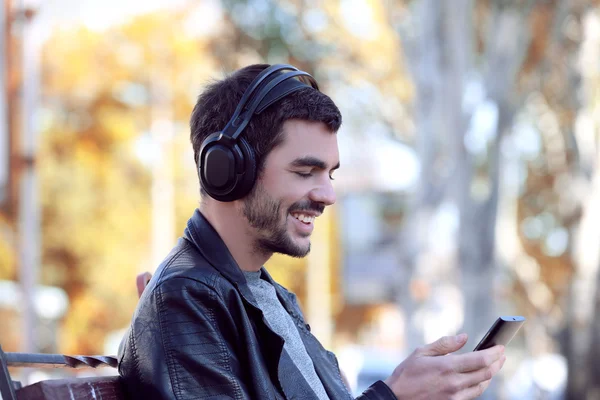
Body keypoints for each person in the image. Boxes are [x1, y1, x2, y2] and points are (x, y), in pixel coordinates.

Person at [118, 64, 506, 400]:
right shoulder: (187, 298)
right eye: (305, 172)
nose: (328, 195)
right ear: (228, 171)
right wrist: (394, 394)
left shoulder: (265, 296)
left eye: (330, 174)